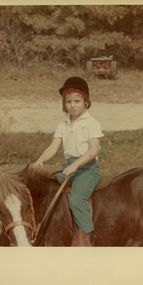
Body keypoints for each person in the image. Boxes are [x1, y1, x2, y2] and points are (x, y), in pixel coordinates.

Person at [34, 76, 103, 247]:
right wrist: (40, 161)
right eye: (68, 101)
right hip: (69, 167)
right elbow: (52, 148)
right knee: (46, 189)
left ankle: (87, 236)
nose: (72, 105)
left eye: (77, 101)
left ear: (85, 102)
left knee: (76, 199)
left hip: (87, 168)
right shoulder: (63, 125)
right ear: (64, 104)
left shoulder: (91, 123)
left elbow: (93, 151)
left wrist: (75, 165)